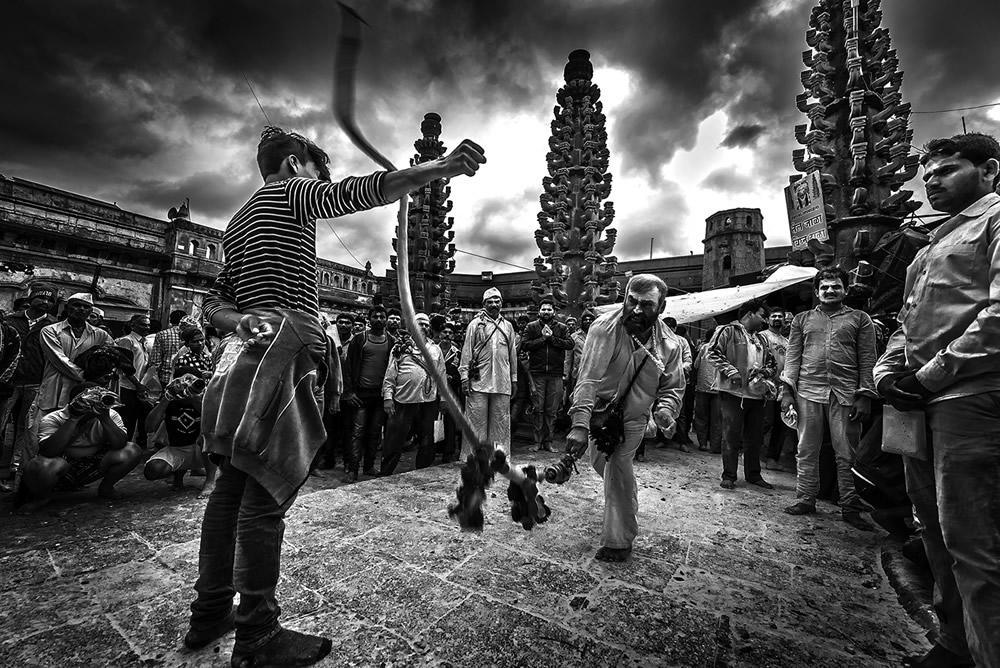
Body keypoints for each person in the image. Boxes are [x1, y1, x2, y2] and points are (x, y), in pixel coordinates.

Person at [185, 125, 484, 668]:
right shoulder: (288, 191)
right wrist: (440, 169)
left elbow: (216, 307)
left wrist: (244, 319)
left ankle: (210, 612)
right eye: (316, 170)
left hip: (243, 353)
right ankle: (256, 633)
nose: (318, 180)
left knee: (231, 485)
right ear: (297, 162)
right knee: (263, 497)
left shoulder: (237, 219)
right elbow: (357, 191)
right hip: (283, 350)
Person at [874, 132, 1000, 668]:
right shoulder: (926, 248)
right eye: (927, 173)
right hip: (918, 404)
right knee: (932, 525)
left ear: (990, 171)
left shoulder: (993, 222)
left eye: (947, 170)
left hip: (969, 397)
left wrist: (931, 376)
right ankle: (953, 640)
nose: (931, 180)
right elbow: (906, 323)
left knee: (975, 541)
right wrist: (887, 372)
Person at [566, 274, 685, 561]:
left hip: (634, 416)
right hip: (600, 414)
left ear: (661, 307)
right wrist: (580, 424)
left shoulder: (670, 345)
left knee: (618, 465)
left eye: (646, 305)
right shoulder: (604, 328)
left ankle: (619, 540)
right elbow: (588, 379)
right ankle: (626, 499)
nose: (636, 310)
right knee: (604, 466)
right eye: (631, 301)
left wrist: (666, 411)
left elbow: (673, 386)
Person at [781, 267, 877, 531]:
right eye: (824, 287)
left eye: (835, 286)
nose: (830, 291)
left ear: (845, 290)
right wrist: (787, 391)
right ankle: (805, 498)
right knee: (806, 449)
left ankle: (850, 505)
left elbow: (868, 359)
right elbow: (792, 356)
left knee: (847, 453)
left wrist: (865, 395)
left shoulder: (860, 319)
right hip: (808, 392)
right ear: (816, 292)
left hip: (846, 394)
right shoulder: (802, 320)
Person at [15, 382, 141, 512]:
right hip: (63, 466)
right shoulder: (53, 418)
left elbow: (120, 444)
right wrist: (74, 418)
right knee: (39, 465)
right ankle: (42, 498)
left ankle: (106, 488)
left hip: (94, 462)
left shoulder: (110, 415)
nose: (93, 406)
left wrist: (104, 418)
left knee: (131, 450)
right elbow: (48, 452)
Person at [707, 299, 776, 490]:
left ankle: (753, 475)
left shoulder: (762, 339)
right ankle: (729, 475)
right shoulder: (727, 330)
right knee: (731, 435)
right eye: (762, 316)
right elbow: (711, 352)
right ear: (749, 314)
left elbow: (772, 364)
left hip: (757, 395)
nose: (764, 321)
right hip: (732, 393)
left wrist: (764, 373)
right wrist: (731, 371)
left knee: (755, 437)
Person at [0, 283, 57, 492]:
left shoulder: (53, 325)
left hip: (35, 382)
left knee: (27, 428)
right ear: (31, 299)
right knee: (2, 424)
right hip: (8, 382)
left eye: (50, 300)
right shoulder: (11, 321)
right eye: (42, 298)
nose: (45, 302)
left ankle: (16, 469)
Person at [379, 313, 445, 475]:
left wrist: (443, 399)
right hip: (403, 400)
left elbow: (441, 375)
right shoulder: (400, 347)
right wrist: (388, 398)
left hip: (428, 401)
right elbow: (390, 374)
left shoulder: (435, 349)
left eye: (426, 325)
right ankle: (386, 472)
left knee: (427, 439)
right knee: (394, 440)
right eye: (419, 324)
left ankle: (422, 471)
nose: (423, 327)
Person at [34, 293, 114, 425]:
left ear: (90, 310)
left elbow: (113, 355)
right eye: (77, 305)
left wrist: (105, 373)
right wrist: (90, 377)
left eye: (86, 306)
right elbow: (60, 361)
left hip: (86, 393)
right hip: (54, 390)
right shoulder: (50, 331)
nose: (81, 309)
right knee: (45, 432)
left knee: (79, 434)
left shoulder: (101, 335)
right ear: (67, 307)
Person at [459, 287, 517, 459]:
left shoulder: (508, 326)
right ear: (484, 304)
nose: (494, 304)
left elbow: (512, 355)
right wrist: (464, 378)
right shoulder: (475, 324)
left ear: (501, 304)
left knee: (501, 421)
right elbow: (466, 352)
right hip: (478, 381)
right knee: (476, 421)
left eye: (496, 301)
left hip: (502, 380)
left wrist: (514, 379)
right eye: (490, 302)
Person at [143, 367, 217, 496]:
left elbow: (215, 423)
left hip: (203, 449)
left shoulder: (205, 397)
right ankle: (178, 478)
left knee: (209, 434)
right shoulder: (170, 400)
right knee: (153, 470)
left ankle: (211, 481)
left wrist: (196, 400)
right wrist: (167, 397)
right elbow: (149, 427)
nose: (187, 386)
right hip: (178, 449)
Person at [341, 305, 395, 482]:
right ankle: (353, 468)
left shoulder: (391, 340)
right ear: (369, 319)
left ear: (385, 320)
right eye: (375, 317)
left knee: (374, 433)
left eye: (382, 317)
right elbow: (348, 367)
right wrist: (348, 392)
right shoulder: (359, 339)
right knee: (357, 432)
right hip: (361, 394)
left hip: (380, 395)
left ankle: (369, 466)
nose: (379, 320)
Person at [521, 297, 573, 452]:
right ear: (539, 311)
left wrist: (552, 339)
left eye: (549, 309)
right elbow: (524, 345)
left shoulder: (562, 328)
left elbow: (570, 344)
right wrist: (543, 339)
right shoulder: (531, 327)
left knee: (552, 410)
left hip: (556, 374)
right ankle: (537, 441)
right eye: (543, 309)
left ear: (554, 312)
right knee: (538, 409)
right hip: (537, 374)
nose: (546, 312)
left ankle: (548, 441)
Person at [114, 314, 152, 449]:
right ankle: (122, 448)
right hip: (127, 387)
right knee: (127, 421)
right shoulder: (126, 341)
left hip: (139, 387)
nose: (146, 327)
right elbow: (124, 366)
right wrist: (137, 384)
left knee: (138, 419)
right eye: (143, 324)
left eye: (148, 325)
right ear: (133, 325)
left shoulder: (145, 342)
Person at [761, 307, 790, 471]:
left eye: (780, 316)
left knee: (782, 424)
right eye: (774, 316)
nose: (777, 318)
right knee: (766, 421)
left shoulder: (787, 342)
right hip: (766, 385)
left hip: (783, 388)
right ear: (768, 319)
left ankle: (772, 459)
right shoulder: (762, 337)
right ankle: (750, 452)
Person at [436, 321, 462, 463]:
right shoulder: (433, 350)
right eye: (444, 332)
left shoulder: (458, 353)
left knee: (450, 423)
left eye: (450, 333)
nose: (447, 335)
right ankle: (434, 449)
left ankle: (448, 452)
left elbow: (462, 372)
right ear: (439, 334)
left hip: (451, 392)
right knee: (434, 420)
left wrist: (452, 378)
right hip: (433, 391)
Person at [692, 326, 721, 453]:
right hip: (719, 389)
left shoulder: (704, 348)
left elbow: (696, 365)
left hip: (702, 388)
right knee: (717, 419)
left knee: (701, 417)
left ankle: (702, 444)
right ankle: (715, 447)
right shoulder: (725, 349)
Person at [149, 309, 188, 387]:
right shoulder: (192, 334)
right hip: (187, 379)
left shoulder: (162, 334)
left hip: (165, 377)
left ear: (170, 321)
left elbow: (156, 361)